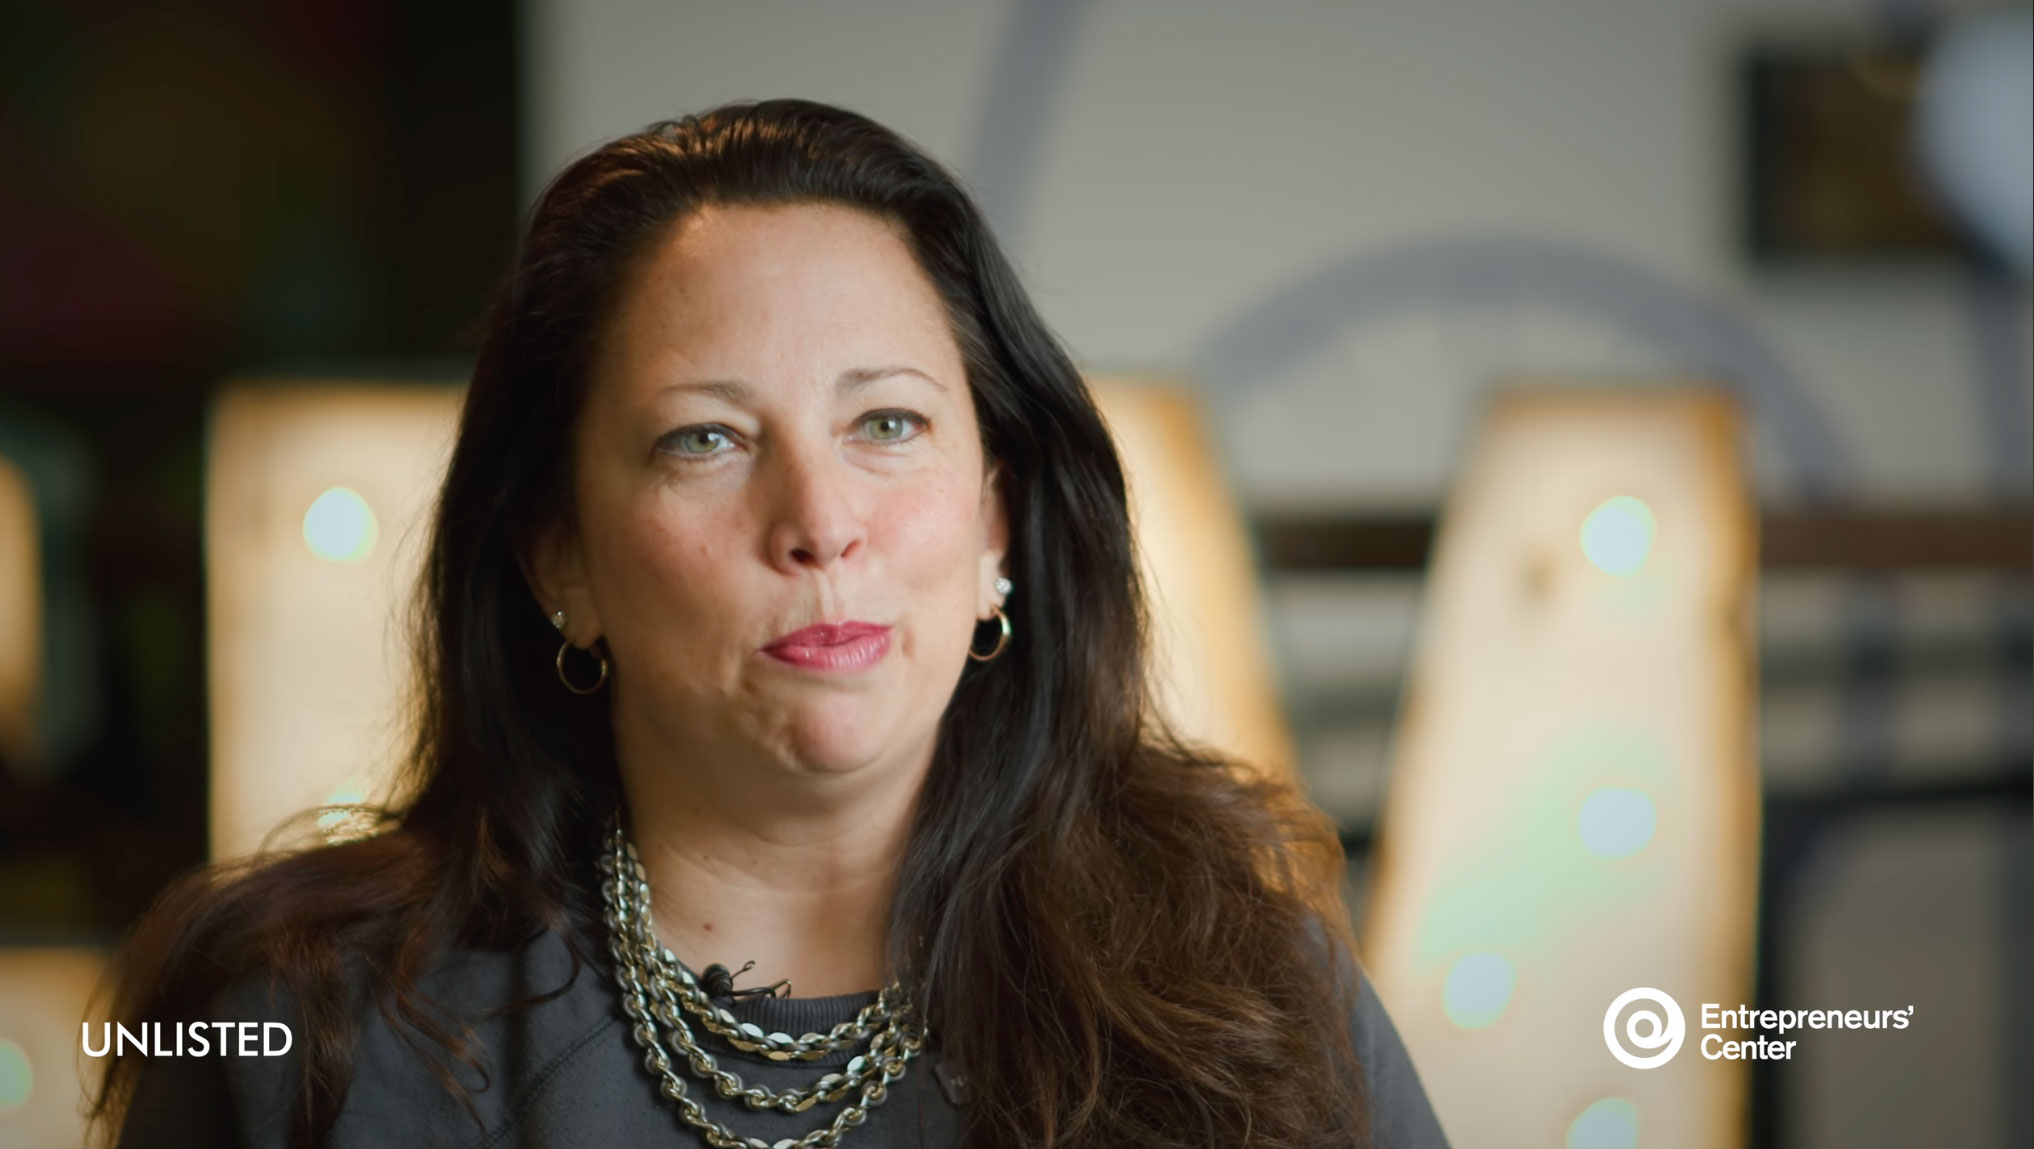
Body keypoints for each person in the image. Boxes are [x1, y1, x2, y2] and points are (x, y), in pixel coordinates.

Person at [97, 99, 1450, 1149]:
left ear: (995, 521)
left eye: (887, 423)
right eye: (706, 438)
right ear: (560, 554)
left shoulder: (1252, 990)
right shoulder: (287, 1027)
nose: (818, 520)